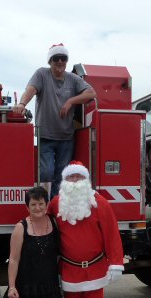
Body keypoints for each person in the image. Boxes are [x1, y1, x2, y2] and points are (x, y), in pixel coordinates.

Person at [47, 161, 124, 298]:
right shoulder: (56, 204)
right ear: (65, 181)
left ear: (86, 180)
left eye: (78, 178)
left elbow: (112, 234)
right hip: (70, 270)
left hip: (95, 269)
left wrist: (116, 263)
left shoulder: (100, 204)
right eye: (71, 178)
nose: (74, 181)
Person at [13, 43, 96, 198]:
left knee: (62, 176)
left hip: (66, 137)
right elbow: (30, 89)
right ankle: (42, 205)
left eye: (63, 58)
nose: (60, 62)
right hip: (46, 136)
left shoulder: (73, 79)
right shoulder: (41, 74)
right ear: (49, 61)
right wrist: (22, 104)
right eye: (56, 58)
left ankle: (55, 207)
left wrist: (71, 101)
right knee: (46, 172)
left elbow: (91, 93)